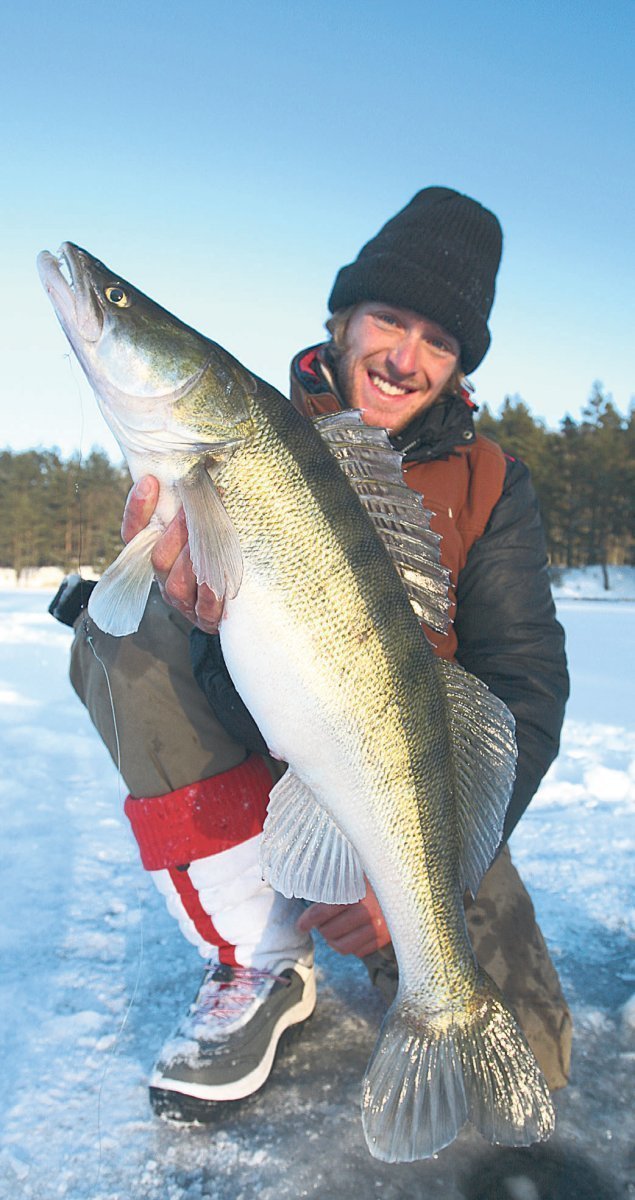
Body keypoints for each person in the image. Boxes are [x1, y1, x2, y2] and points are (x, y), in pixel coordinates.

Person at [58, 186, 571, 1122]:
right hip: (267, 763)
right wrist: (202, 617)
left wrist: (407, 873)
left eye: (438, 339)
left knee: (536, 1061)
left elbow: (523, 683)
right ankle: (258, 952)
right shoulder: (259, 438)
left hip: (416, 785)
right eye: (386, 317)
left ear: (460, 366)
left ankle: (423, 964)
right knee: (117, 629)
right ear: (341, 317)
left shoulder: (493, 481)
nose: (403, 356)